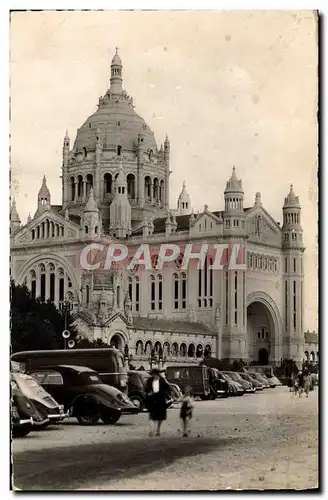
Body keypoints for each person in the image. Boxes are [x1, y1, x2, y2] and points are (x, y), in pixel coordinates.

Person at [145, 368, 170, 437]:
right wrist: (149, 392)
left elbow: (167, 388)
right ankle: (151, 430)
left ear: (157, 374)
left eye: (153, 374)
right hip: (152, 398)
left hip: (160, 399)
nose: (153, 376)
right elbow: (146, 388)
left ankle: (158, 429)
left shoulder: (162, 380)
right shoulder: (149, 380)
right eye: (152, 374)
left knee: (160, 416)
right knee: (151, 414)